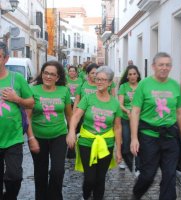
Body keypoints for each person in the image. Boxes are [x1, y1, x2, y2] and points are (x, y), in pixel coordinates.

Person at [130, 52, 181, 200]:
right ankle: (137, 193)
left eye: (168, 65)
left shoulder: (174, 85)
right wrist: (134, 138)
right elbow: (135, 112)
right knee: (148, 175)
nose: (164, 68)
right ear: (154, 66)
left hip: (170, 137)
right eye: (161, 64)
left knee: (170, 175)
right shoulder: (144, 84)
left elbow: (180, 112)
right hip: (149, 137)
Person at [67, 66, 122, 200]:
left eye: (103, 79)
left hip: (106, 143)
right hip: (87, 141)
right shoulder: (88, 98)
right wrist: (72, 132)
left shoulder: (115, 103)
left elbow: (118, 127)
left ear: (110, 83)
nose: (99, 82)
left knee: (100, 179)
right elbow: (76, 116)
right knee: (90, 179)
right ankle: (86, 196)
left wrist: (118, 150)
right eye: (97, 79)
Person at [26, 61, 72, 200]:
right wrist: (31, 138)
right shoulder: (33, 90)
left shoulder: (64, 91)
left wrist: (71, 133)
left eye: (52, 74)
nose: (48, 76)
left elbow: (69, 115)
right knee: (40, 173)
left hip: (59, 135)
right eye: (46, 73)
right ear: (42, 74)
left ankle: (55, 197)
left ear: (57, 78)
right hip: (38, 136)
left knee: (58, 171)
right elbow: (27, 117)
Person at [0, 41, 34, 199]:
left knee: (14, 176)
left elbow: (31, 102)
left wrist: (16, 98)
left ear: (6, 58)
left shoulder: (17, 78)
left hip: (13, 138)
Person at [118, 65, 141, 171]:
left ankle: (138, 166)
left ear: (138, 75)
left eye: (134, 74)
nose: (132, 76)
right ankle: (124, 159)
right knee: (127, 140)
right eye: (130, 74)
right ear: (127, 76)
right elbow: (120, 103)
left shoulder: (142, 86)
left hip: (139, 118)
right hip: (126, 118)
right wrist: (127, 111)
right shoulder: (123, 87)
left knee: (139, 141)